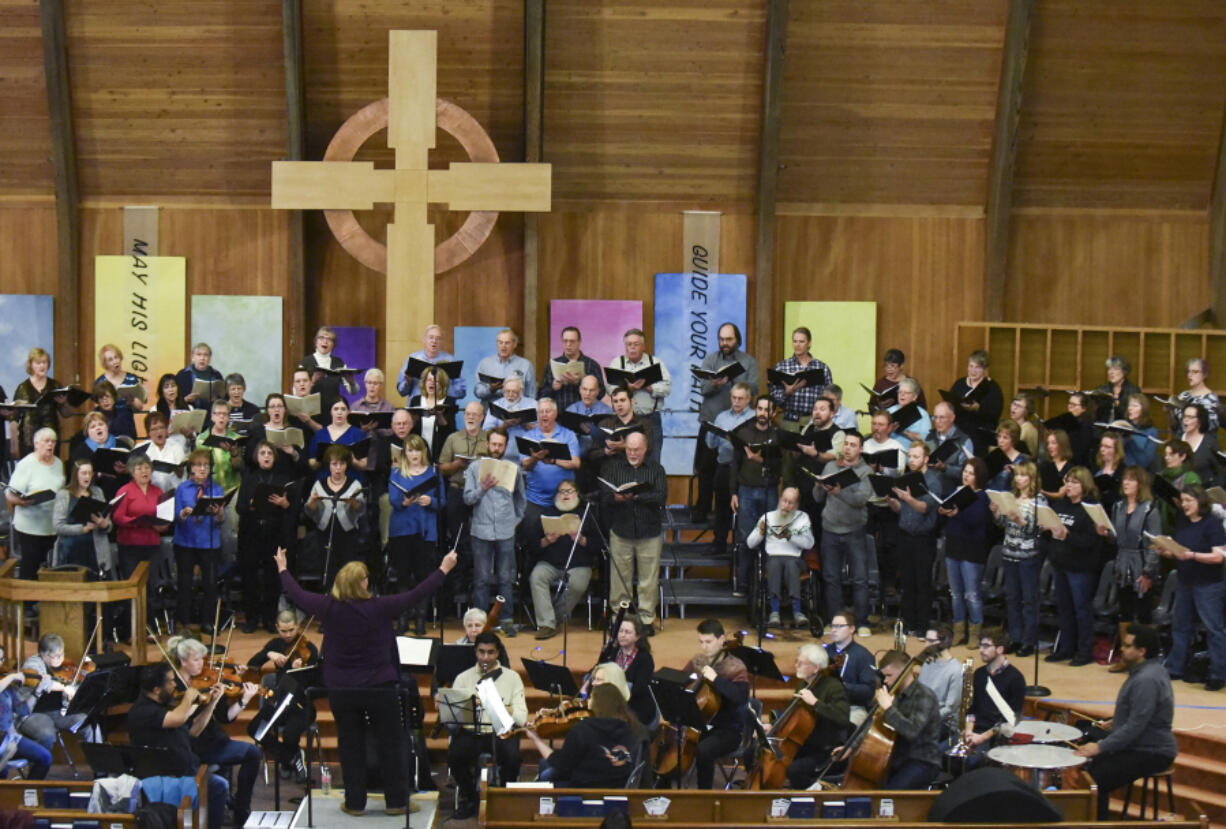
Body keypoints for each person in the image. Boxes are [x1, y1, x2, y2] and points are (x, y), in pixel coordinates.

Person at [276, 544, 457, 816]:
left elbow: (296, 593)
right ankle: (396, 803)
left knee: (350, 744)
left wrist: (282, 568)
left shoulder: (327, 607)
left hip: (342, 690)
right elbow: (417, 594)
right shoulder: (380, 607)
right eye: (365, 578)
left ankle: (355, 803)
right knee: (392, 743)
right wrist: (444, 569)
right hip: (380, 688)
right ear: (361, 583)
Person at [1075, 623, 1178, 820]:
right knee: (1091, 760)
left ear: (1142, 651)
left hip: (1151, 751)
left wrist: (1101, 747)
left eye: (1128, 646)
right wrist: (1117, 720)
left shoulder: (1146, 679)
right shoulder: (1150, 670)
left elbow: (1136, 726)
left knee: (1095, 779)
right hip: (1141, 743)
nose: (1122, 649)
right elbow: (1144, 713)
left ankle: (1097, 823)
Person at [166, 636, 263, 826]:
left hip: (215, 739)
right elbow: (191, 731)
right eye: (196, 660)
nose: (202, 664)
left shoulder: (205, 681)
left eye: (202, 659)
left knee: (252, 752)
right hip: (197, 747)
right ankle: (241, 811)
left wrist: (244, 700)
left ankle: (240, 804)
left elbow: (225, 717)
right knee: (252, 753)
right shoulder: (174, 688)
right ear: (182, 661)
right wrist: (209, 701)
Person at [126, 663, 228, 829]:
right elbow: (178, 718)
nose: (175, 685)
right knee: (218, 786)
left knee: (218, 785)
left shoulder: (166, 706)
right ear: (157, 690)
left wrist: (212, 703)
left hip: (186, 769)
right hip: (165, 775)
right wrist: (188, 697)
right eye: (171, 681)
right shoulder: (142, 711)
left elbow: (194, 730)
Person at [447, 631, 527, 819]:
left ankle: (504, 797)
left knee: (512, 758)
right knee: (454, 758)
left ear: (498, 653)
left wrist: (499, 706)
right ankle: (471, 797)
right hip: (471, 731)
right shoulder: (463, 678)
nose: (485, 657)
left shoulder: (512, 678)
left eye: (490, 652)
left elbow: (522, 717)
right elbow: (453, 718)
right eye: (481, 652)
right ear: (475, 652)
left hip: (501, 731)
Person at [840, 649, 942, 790]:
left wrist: (889, 709)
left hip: (922, 760)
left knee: (888, 795)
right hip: (896, 758)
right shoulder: (893, 695)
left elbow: (912, 731)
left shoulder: (924, 695)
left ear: (904, 672)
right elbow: (872, 724)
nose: (886, 681)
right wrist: (852, 746)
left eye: (889, 675)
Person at [1159, 485, 1226, 691]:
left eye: (1189, 500)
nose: (1184, 504)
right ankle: (1175, 667)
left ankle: (1218, 673)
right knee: (1180, 626)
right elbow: (1179, 551)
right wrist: (1166, 550)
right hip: (1185, 581)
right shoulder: (1183, 522)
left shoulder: (1212, 524)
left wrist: (1193, 555)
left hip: (1209, 585)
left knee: (1214, 629)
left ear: (1200, 502)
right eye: (1183, 500)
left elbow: (1218, 556)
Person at [603, 431, 668, 634]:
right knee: (619, 578)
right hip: (621, 529)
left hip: (649, 531)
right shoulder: (614, 468)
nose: (632, 453)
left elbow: (661, 496)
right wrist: (616, 498)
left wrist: (637, 496)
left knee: (648, 579)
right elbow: (604, 495)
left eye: (636, 450)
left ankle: (646, 619)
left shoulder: (656, 469)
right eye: (629, 449)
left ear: (645, 449)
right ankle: (618, 618)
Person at [245, 610, 320, 783]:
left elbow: (313, 682)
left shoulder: (309, 649)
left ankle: (287, 762)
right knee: (255, 728)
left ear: (298, 627)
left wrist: (296, 671)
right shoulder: (275, 644)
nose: (288, 635)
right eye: (283, 631)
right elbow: (252, 664)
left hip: (302, 705)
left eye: (292, 630)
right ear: (277, 628)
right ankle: (290, 757)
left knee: (289, 734)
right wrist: (268, 654)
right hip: (280, 703)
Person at [694, 323, 759, 520]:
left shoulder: (748, 362)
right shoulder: (711, 359)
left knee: (731, 469)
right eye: (722, 339)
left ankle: (727, 511)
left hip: (739, 424)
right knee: (705, 469)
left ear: (737, 340)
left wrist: (732, 382)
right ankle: (702, 509)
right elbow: (702, 388)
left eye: (728, 339)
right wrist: (714, 383)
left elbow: (754, 390)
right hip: (711, 422)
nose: (725, 343)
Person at [464, 427, 526, 632]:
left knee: (505, 578)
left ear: (505, 446)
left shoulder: (513, 468)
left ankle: (506, 620)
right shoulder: (474, 468)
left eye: (501, 445)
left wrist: (515, 520)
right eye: (494, 444)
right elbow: (467, 499)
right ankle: (481, 621)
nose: (497, 448)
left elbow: (520, 500)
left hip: (506, 530)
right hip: (481, 531)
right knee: (481, 578)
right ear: (487, 444)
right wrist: (483, 487)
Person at [1099, 467, 1161, 671]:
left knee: (1143, 614)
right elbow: (1118, 538)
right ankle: (1126, 658)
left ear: (1140, 484)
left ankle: (1147, 660)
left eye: (1131, 480)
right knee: (1124, 612)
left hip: (1141, 564)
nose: (1125, 483)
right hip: (1122, 564)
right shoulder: (1118, 506)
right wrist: (1106, 534)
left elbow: (1155, 544)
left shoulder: (1150, 509)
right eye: (1124, 479)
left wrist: (1148, 573)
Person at [526, 683, 645, 788]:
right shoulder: (634, 730)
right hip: (618, 793)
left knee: (545, 774)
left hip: (582, 793)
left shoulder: (582, 729)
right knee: (544, 765)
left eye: (591, 698)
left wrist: (536, 739)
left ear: (596, 704)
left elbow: (561, 765)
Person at [1041, 467, 1102, 666]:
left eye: (1074, 482)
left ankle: (1084, 652)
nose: (1069, 486)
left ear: (1084, 485)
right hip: (1060, 563)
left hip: (1080, 567)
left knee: (1081, 610)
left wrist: (1067, 535)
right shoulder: (1062, 504)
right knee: (1064, 609)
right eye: (1067, 481)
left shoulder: (1091, 507)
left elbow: (1090, 541)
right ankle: (1065, 648)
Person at [236, 440, 298, 632]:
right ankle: (252, 618)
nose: (266, 456)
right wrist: (251, 505)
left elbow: (293, 508)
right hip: (252, 532)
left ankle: (271, 619)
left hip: (274, 532)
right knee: (250, 578)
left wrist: (284, 504)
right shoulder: (249, 478)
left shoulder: (283, 479)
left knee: (273, 577)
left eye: (270, 453)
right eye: (262, 453)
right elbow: (240, 508)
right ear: (257, 457)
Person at [813, 431, 872, 632]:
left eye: (853, 445)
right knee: (831, 578)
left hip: (854, 530)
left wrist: (840, 492)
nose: (848, 448)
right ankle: (834, 622)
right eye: (846, 444)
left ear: (860, 449)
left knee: (860, 579)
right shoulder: (831, 466)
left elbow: (860, 500)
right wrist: (819, 485)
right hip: (830, 528)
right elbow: (817, 498)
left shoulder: (865, 472)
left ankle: (862, 622)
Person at [681, 619, 749, 790]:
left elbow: (741, 697)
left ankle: (705, 794)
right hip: (701, 724)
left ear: (722, 639)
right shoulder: (698, 661)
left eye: (709, 642)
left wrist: (716, 679)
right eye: (701, 642)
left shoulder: (736, 667)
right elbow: (681, 682)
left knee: (704, 750)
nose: (704, 647)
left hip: (728, 729)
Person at [387, 434, 443, 634]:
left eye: (417, 450)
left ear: (423, 452)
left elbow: (441, 501)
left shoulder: (433, 473)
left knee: (423, 576)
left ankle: (420, 619)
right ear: (405, 453)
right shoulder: (397, 473)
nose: (414, 454)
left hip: (425, 529)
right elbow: (393, 499)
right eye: (410, 450)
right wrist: (404, 502)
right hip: (402, 529)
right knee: (403, 576)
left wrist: (431, 502)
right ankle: (403, 618)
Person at [778, 643, 851, 790]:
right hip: (804, 745)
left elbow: (843, 718)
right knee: (757, 753)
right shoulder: (803, 685)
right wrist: (776, 725)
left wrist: (815, 703)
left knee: (795, 770)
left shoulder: (834, 687)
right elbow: (794, 717)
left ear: (816, 668)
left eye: (801, 663)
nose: (796, 665)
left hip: (825, 750)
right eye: (796, 661)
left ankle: (811, 799)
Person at [526, 480, 593, 640]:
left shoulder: (586, 514)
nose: (565, 495)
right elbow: (532, 545)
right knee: (537, 577)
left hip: (579, 563)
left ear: (576, 493)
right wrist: (547, 541)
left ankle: (554, 617)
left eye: (569, 491)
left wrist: (581, 539)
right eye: (562, 492)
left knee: (578, 584)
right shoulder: (547, 513)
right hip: (550, 562)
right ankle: (546, 625)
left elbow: (597, 545)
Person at [888, 442, 941, 636]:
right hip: (905, 535)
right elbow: (904, 510)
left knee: (922, 582)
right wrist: (892, 501)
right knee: (907, 582)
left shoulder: (933, 481)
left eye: (916, 456)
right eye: (910, 456)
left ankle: (922, 625)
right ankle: (909, 623)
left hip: (923, 539)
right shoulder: (906, 478)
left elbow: (924, 508)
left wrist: (908, 498)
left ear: (926, 459)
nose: (912, 460)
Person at [731, 395, 782, 592]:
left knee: (770, 538)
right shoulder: (743, 433)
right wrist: (733, 492)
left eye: (766, 410)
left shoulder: (778, 436)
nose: (762, 414)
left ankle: (767, 586)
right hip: (746, 491)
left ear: (773, 413)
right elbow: (735, 464)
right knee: (745, 538)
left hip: (769, 490)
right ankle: (743, 583)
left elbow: (780, 467)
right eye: (759, 409)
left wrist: (762, 461)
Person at [939, 457, 991, 646]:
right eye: (965, 472)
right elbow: (949, 516)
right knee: (956, 593)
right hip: (953, 547)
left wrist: (956, 512)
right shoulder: (956, 491)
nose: (966, 476)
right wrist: (945, 511)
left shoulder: (982, 496)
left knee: (972, 594)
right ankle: (959, 629)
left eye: (971, 474)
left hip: (972, 551)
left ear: (979, 477)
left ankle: (975, 632)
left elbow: (975, 520)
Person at [991, 460, 1041, 656]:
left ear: (1031, 478)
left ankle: (1028, 641)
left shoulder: (1038, 501)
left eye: (1023, 475)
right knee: (1012, 599)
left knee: (1028, 600)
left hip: (1027, 556)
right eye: (1017, 475)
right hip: (1009, 554)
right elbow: (1003, 524)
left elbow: (1035, 530)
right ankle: (1015, 637)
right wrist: (997, 513)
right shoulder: (1011, 498)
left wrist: (1020, 520)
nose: (1018, 479)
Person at [746, 486, 813, 628]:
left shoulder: (803, 517)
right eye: (784, 501)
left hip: (795, 558)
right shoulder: (767, 517)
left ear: (797, 505)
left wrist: (790, 536)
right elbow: (750, 543)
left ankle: (797, 611)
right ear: (779, 500)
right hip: (773, 557)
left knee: (791, 564)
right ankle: (774, 612)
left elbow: (809, 543)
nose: (786, 506)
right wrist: (760, 532)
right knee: (775, 564)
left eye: (791, 503)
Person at [174, 449, 226, 633]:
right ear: (191, 468)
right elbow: (176, 516)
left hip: (209, 542)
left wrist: (219, 514)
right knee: (185, 583)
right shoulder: (182, 488)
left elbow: (221, 521)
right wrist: (183, 513)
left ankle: (207, 622)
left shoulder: (216, 488)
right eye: (198, 465)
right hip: (185, 542)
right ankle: (185, 621)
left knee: (210, 584)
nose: (202, 469)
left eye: (206, 465)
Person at [112, 455, 168, 619]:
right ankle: (131, 629)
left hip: (152, 545)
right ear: (131, 472)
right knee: (133, 586)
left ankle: (148, 626)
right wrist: (137, 522)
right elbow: (117, 517)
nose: (144, 471)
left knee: (151, 586)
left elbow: (164, 519)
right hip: (130, 545)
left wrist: (162, 525)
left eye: (147, 467)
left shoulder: (158, 491)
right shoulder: (124, 491)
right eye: (139, 468)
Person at [518, 397, 581, 541]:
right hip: (535, 500)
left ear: (555, 413)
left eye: (547, 411)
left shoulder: (568, 435)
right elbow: (525, 465)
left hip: (563, 499)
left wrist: (554, 460)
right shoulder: (528, 437)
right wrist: (535, 458)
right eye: (541, 412)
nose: (544, 415)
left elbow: (576, 463)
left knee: (564, 540)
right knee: (531, 541)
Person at [961, 628, 1025, 769]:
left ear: (1000, 649)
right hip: (975, 732)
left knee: (969, 762)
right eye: (980, 646)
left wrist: (981, 737)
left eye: (986, 646)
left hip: (996, 737)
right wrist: (968, 731)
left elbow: (1012, 720)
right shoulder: (979, 674)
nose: (981, 650)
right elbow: (972, 708)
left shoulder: (1015, 678)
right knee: (941, 753)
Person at [18, 633, 91, 756]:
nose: (60, 659)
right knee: (47, 735)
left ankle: (101, 771)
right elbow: (42, 683)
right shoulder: (32, 665)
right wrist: (64, 688)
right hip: (33, 713)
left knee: (89, 723)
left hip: (57, 712)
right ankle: (39, 768)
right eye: (55, 656)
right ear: (43, 654)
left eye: (61, 654)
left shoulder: (64, 667)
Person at [704, 382, 755, 558]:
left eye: (741, 398)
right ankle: (719, 542)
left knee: (745, 509)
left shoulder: (754, 417)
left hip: (746, 469)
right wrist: (714, 432)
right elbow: (711, 444)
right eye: (734, 398)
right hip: (724, 465)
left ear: (748, 399)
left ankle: (741, 546)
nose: (737, 401)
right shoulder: (722, 417)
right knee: (721, 507)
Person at [6, 427, 64, 579]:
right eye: (46, 441)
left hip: (51, 526)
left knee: (48, 567)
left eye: (53, 441)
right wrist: (22, 501)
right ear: (36, 444)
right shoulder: (26, 464)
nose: (50, 445)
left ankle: (44, 601)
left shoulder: (58, 463)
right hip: (29, 527)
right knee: (30, 566)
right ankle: (28, 602)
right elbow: (9, 494)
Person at [304, 444, 365, 586]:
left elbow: (361, 510)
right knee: (326, 570)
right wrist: (312, 503)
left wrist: (354, 504)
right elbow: (309, 510)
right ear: (328, 465)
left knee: (347, 571)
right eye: (334, 464)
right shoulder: (319, 484)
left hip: (348, 533)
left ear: (347, 465)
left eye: (342, 464)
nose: (338, 468)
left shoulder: (354, 485)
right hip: (324, 533)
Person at [608, 328, 671, 462]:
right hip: (624, 421)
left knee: (652, 461)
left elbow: (667, 388)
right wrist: (626, 388)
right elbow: (609, 389)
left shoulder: (655, 363)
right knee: (623, 461)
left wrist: (648, 387)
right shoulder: (617, 363)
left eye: (636, 344)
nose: (632, 348)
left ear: (643, 346)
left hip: (651, 418)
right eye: (628, 344)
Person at [51, 458, 114, 572]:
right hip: (70, 551)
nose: (87, 477)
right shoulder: (64, 494)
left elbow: (108, 524)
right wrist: (82, 529)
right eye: (84, 473)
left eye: (90, 473)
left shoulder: (97, 492)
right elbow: (58, 526)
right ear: (76, 475)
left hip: (95, 551)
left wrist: (104, 525)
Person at [11, 347, 71, 456]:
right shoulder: (22, 388)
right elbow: (13, 418)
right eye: (38, 363)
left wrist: (63, 403)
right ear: (31, 365)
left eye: (45, 362)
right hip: (28, 441)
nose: (42, 366)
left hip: (50, 440)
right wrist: (14, 444)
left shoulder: (55, 385)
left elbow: (67, 414)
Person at [601, 618, 656, 728]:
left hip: (636, 709)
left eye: (628, 632)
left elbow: (638, 690)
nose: (622, 635)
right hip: (614, 705)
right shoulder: (611, 652)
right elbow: (596, 671)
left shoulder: (645, 659)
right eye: (620, 631)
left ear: (637, 636)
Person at [586, 385, 652, 476]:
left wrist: (625, 447)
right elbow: (592, 454)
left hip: (636, 473)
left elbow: (649, 450)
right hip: (610, 473)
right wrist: (605, 451)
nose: (619, 404)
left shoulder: (644, 424)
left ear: (632, 401)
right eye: (615, 401)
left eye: (622, 400)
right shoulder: (605, 424)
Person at [948, 350, 1003, 455]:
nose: (973, 370)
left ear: (985, 369)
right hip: (960, 430)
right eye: (971, 366)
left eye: (977, 367)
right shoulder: (959, 384)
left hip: (981, 435)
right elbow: (950, 404)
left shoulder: (992, 387)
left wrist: (979, 408)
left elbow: (996, 412)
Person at [825, 610, 877, 723]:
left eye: (839, 626)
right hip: (826, 705)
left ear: (852, 629)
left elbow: (869, 690)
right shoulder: (825, 651)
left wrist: (842, 687)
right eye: (832, 626)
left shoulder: (864, 655)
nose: (833, 630)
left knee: (847, 724)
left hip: (853, 707)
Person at [540, 326, 606, 413]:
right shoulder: (552, 365)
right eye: (565, 341)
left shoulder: (592, 365)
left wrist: (580, 383)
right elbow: (541, 395)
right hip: (558, 417)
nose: (568, 345)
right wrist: (553, 388)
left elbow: (601, 393)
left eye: (572, 341)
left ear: (579, 342)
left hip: (584, 417)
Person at [70, 410, 130, 501]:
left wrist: (127, 470)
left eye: (101, 424)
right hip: (93, 496)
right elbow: (75, 479)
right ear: (87, 432)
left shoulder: (122, 445)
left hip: (122, 493)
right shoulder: (80, 452)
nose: (98, 428)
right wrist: (96, 475)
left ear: (107, 426)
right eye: (93, 427)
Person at [916, 626, 963, 741]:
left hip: (943, 723)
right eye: (925, 640)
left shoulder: (956, 670)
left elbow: (950, 708)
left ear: (943, 643)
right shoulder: (928, 663)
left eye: (930, 641)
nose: (925, 645)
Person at [397, 323, 466, 400]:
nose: (434, 341)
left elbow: (462, 391)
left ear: (442, 342)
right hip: (417, 407)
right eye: (431, 337)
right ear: (424, 340)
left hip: (442, 408)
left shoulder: (451, 361)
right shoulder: (413, 358)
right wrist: (408, 382)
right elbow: (401, 391)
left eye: (438, 338)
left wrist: (442, 387)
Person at [301, 325, 359, 412]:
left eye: (329, 339)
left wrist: (352, 382)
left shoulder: (339, 363)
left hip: (333, 412)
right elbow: (296, 392)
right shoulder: (305, 363)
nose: (325, 341)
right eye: (321, 338)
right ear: (316, 342)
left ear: (333, 345)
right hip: (311, 411)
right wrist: (313, 382)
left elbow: (353, 392)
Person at [308, 397, 369, 477]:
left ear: (348, 412)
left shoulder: (358, 434)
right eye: (336, 409)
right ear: (331, 412)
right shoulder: (320, 434)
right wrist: (322, 459)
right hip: (324, 480)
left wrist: (352, 460)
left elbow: (364, 465)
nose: (339, 412)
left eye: (343, 409)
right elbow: (312, 463)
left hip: (350, 481)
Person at [481, 374, 537, 459]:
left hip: (525, 456)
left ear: (521, 391)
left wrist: (523, 423)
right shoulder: (496, 406)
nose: (510, 395)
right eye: (507, 391)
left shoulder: (532, 404)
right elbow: (487, 433)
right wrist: (505, 426)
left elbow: (541, 431)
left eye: (514, 392)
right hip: (501, 456)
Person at [408, 366, 456, 463]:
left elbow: (450, 430)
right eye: (428, 380)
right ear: (424, 382)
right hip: (418, 450)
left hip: (440, 450)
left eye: (436, 381)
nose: (431, 383)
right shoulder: (416, 400)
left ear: (442, 385)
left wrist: (439, 416)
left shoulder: (448, 402)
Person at [475, 328, 537, 403]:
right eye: (500, 343)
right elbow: (477, 392)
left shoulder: (525, 365)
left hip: (516, 411)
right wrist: (491, 389)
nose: (503, 347)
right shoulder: (485, 363)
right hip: (489, 411)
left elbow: (531, 395)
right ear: (496, 344)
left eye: (507, 343)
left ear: (514, 344)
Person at [926, 402, 972, 497]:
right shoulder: (929, 437)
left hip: (951, 493)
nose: (938, 421)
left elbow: (965, 473)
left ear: (952, 418)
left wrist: (945, 468)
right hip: (929, 490)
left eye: (942, 417)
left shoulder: (964, 441)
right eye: (935, 417)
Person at [1169, 358, 1220, 437]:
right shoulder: (1183, 395)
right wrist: (1170, 412)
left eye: (1195, 372)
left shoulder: (1211, 398)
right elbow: (1175, 427)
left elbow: (1211, 427)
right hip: (1182, 443)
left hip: (1201, 445)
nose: (1189, 375)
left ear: (1204, 374)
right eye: (1188, 371)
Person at [175, 342, 225, 410]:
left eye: (205, 355)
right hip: (189, 413)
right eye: (199, 355)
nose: (202, 358)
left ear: (209, 358)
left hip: (211, 414)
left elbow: (224, 398)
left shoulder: (216, 375)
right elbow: (175, 400)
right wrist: (185, 400)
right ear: (193, 357)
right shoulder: (182, 375)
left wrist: (216, 399)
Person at [1180, 403, 1220, 486]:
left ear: (1199, 421)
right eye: (1184, 416)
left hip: (1202, 491)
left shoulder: (1210, 443)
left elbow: (1219, 473)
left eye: (1190, 417)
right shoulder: (1178, 438)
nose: (1185, 420)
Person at [1094, 355, 1143, 423]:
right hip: (1104, 428)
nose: (1111, 372)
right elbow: (1095, 414)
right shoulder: (1102, 389)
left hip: (1125, 428)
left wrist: (1115, 404)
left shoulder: (1134, 390)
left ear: (1124, 371)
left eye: (1115, 369)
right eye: (1109, 369)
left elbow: (1135, 415)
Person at [1121, 393, 1160, 471]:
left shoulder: (1152, 432)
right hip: (1123, 472)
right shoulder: (1123, 427)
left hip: (1141, 473)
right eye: (1129, 405)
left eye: (1135, 406)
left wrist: (1131, 440)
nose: (1130, 408)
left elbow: (1145, 462)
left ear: (1143, 409)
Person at [1039, 428, 1075, 500]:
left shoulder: (1071, 468)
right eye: (1048, 443)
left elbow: (1060, 495)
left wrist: (1043, 492)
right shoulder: (1044, 465)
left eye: (1053, 443)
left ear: (1062, 445)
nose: (1049, 446)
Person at [1009, 392, 1041, 456]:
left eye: (1019, 406)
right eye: (1014, 404)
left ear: (1026, 411)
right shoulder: (1009, 425)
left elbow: (1032, 455)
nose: (1014, 408)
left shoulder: (1028, 430)